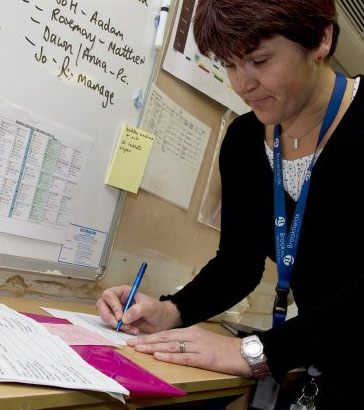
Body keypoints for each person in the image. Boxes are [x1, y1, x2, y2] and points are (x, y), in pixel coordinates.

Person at [96, 0, 364, 408]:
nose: (242, 84)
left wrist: (256, 352)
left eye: (259, 60)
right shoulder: (243, 141)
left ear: (321, 40)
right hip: (326, 370)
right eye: (229, 64)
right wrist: (171, 310)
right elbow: (238, 264)